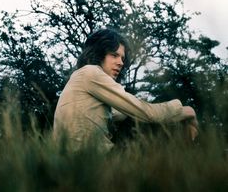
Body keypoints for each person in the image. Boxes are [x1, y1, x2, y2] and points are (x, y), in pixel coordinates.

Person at [53, 28, 198, 152]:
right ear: (98, 53)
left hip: (74, 166)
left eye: (122, 58)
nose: (121, 62)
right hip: (94, 162)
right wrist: (185, 111)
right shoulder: (91, 72)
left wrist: (173, 121)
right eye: (114, 55)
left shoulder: (82, 79)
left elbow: (121, 113)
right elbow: (146, 113)